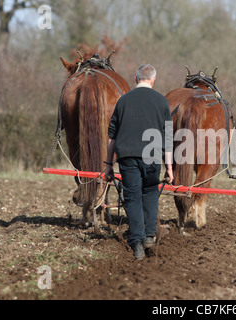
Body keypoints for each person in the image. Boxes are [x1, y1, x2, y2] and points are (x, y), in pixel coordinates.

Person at [104, 64, 173, 260]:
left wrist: (108, 165)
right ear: (153, 80)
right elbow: (168, 139)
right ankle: (150, 235)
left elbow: (112, 137)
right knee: (150, 192)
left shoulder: (123, 101)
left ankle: (137, 243)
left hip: (127, 156)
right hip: (152, 155)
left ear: (136, 79)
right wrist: (169, 167)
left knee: (132, 198)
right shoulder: (162, 102)